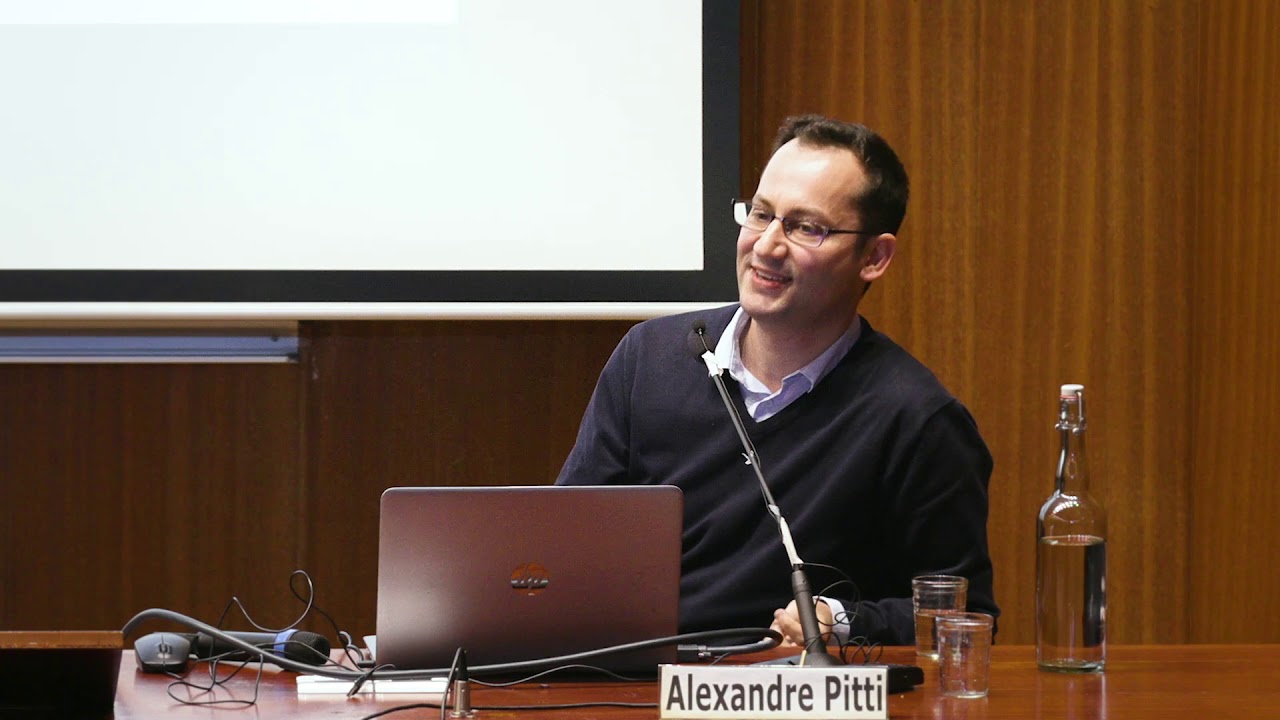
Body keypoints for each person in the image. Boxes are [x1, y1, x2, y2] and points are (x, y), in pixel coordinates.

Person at [556, 114, 997, 647]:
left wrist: (848, 621)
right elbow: (569, 550)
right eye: (760, 214)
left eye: (806, 227)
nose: (766, 246)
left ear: (874, 257)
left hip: (788, 690)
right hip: (637, 680)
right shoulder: (649, 358)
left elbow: (965, 617)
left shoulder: (917, 419)